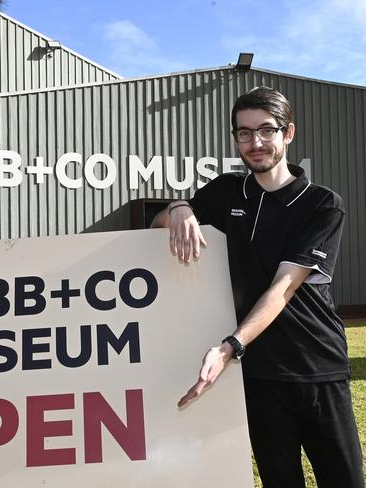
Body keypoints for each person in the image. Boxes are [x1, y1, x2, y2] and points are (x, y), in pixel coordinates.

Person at [151, 86, 363, 488]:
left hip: (317, 367)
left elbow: (284, 287)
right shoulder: (226, 192)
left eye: (266, 130)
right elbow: (156, 226)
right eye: (244, 133)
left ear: (288, 133)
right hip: (261, 376)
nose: (256, 142)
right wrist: (178, 208)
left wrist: (231, 346)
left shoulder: (322, 204)